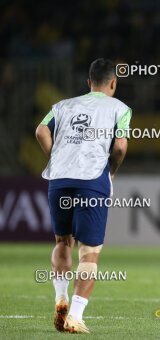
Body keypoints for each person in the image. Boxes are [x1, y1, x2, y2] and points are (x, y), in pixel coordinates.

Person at [35, 58, 131, 333]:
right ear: (113, 83)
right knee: (89, 253)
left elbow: (41, 130)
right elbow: (121, 146)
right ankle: (75, 316)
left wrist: (55, 158)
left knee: (62, 241)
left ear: (88, 83)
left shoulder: (63, 105)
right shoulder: (120, 108)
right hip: (92, 180)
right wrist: (112, 170)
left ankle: (60, 297)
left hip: (59, 179)